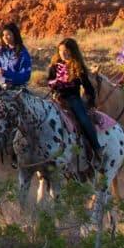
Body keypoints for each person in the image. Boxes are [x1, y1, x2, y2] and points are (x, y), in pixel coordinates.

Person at [46, 38, 97, 175]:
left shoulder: (78, 67)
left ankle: (96, 149)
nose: (63, 54)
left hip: (73, 99)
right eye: (61, 51)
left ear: (73, 52)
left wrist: (90, 103)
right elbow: (49, 82)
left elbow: (88, 89)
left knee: (84, 120)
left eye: (67, 51)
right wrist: (55, 89)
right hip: (57, 99)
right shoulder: (54, 67)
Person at [0, 22, 33, 99]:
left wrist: (6, 73)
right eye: (3, 35)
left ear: (15, 35)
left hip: (17, 90)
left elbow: (25, 76)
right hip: (0, 87)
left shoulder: (23, 53)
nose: (5, 37)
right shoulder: (1, 50)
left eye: (8, 35)